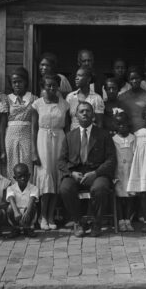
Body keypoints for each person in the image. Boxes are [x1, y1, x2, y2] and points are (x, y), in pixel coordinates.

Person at [60, 101, 117, 236]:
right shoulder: (69, 136)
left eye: (88, 111)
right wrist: (71, 173)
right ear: (76, 116)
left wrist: (96, 173)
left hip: (97, 173)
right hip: (76, 173)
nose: (85, 113)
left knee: (100, 188)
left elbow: (111, 159)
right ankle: (78, 222)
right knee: (65, 188)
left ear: (93, 115)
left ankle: (97, 223)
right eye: (81, 111)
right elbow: (61, 161)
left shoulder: (103, 135)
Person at [33, 75, 68, 230]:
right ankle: (42, 216)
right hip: (42, 140)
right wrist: (34, 152)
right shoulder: (37, 104)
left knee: (56, 176)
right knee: (46, 176)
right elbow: (33, 129)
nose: (52, 89)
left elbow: (66, 128)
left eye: (54, 86)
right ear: (44, 86)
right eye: (49, 86)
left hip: (59, 139)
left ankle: (51, 216)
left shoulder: (64, 105)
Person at [111, 112, 136, 231]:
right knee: (120, 197)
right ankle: (121, 220)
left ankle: (128, 219)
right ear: (115, 125)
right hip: (119, 172)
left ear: (129, 124)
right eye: (119, 124)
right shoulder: (113, 139)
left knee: (130, 197)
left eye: (124, 124)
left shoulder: (133, 138)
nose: (122, 126)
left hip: (131, 172)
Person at [6, 163, 39, 237]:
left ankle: (27, 228)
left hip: (28, 213)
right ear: (15, 178)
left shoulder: (34, 188)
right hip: (16, 214)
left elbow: (32, 199)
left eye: (25, 175)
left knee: (32, 206)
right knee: (10, 207)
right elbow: (11, 198)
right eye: (20, 176)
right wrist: (16, 212)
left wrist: (27, 212)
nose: (23, 178)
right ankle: (15, 228)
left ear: (29, 175)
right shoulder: (10, 188)